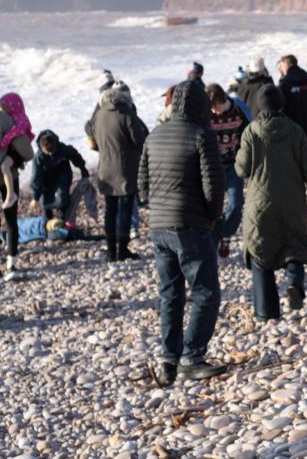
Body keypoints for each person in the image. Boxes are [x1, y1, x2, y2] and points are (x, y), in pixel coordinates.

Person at [138, 79, 227, 386]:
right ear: (201, 105)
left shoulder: (155, 134)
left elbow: (143, 187)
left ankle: (168, 359)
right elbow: (214, 187)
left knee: (170, 294)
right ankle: (191, 356)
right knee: (206, 291)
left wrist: (158, 209)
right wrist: (213, 218)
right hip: (190, 225)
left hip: (159, 226)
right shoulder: (201, 135)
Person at [237, 84, 307, 320]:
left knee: (260, 251)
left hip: (260, 201)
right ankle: (295, 283)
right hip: (292, 200)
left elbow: (242, 168)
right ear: (281, 104)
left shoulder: (251, 131)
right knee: (294, 245)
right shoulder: (295, 130)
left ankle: (267, 312)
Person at [92, 82, 147, 262]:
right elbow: (139, 141)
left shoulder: (98, 115)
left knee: (110, 210)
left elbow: (91, 134)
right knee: (125, 210)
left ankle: (110, 251)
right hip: (125, 169)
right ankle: (122, 250)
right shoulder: (126, 115)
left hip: (104, 169)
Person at [205, 84, 250, 257]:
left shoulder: (238, 111)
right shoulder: (206, 114)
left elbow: (248, 136)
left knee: (236, 203)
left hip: (233, 165)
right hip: (212, 166)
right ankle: (213, 240)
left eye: (215, 106)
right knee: (211, 206)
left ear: (222, 101)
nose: (214, 111)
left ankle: (226, 234)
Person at [0, 94, 34, 281]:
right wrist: (13, 158)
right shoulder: (10, 121)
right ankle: (11, 263)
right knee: (11, 221)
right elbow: (28, 153)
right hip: (8, 178)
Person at [30, 130, 89, 220]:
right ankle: (48, 221)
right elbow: (36, 178)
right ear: (42, 148)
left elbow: (75, 156)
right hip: (46, 180)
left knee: (62, 198)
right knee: (46, 201)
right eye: (48, 153)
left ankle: (64, 219)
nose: (51, 154)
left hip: (62, 174)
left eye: (52, 152)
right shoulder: (38, 158)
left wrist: (83, 169)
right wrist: (35, 197)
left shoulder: (63, 149)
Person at [277, 55, 307, 157]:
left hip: (293, 135)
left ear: (285, 65)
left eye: (281, 66)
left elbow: (279, 109)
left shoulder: (284, 85)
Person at [0, 93, 33, 211]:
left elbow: (18, 132)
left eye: (4, 107)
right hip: (14, 150)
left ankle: (11, 194)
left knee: (5, 167)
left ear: (12, 106)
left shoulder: (20, 117)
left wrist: (4, 140)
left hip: (17, 152)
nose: (3, 110)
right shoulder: (14, 116)